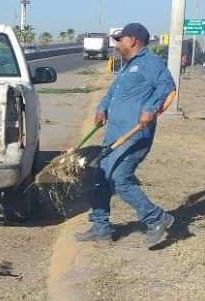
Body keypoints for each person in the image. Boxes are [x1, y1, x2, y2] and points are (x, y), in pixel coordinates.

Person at [75, 22, 178, 246]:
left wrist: (150, 109)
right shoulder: (127, 66)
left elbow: (167, 86)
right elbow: (113, 93)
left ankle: (157, 218)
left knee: (119, 179)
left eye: (120, 40)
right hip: (114, 135)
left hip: (134, 136)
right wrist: (102, 108)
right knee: (100, 178)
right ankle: (101, 227)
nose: (117, 44)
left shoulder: (150, 63)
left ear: (132, 40)